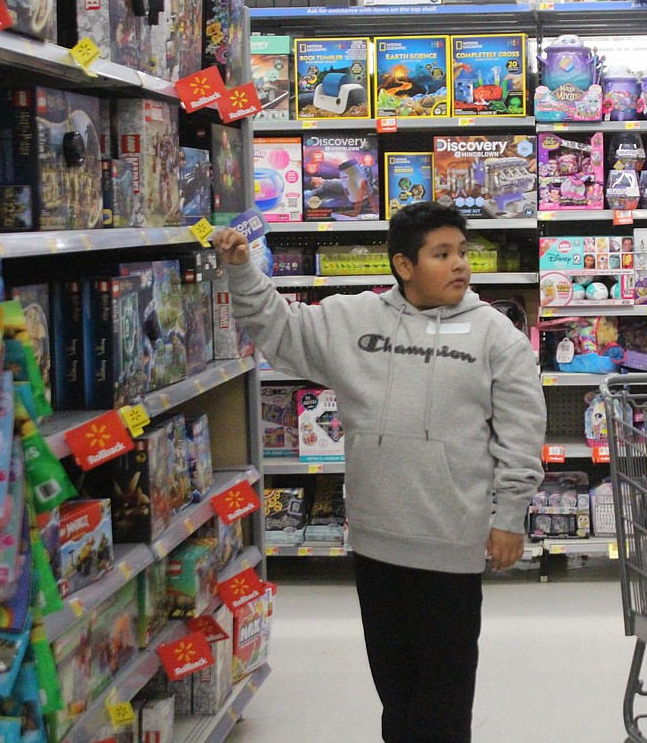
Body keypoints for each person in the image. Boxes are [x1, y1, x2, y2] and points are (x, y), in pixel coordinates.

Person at [213, 201, 547, 743]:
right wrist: (242, 269)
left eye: (463, 252)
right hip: (375, 541)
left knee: (444, 694)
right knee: (396, 690)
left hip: (450, 542)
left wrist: (509, 516)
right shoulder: (353, 319)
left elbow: (522, 433)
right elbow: (277, 328)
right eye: (442, 254)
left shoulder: (496, 336)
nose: (461, 264)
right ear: (404, 266)